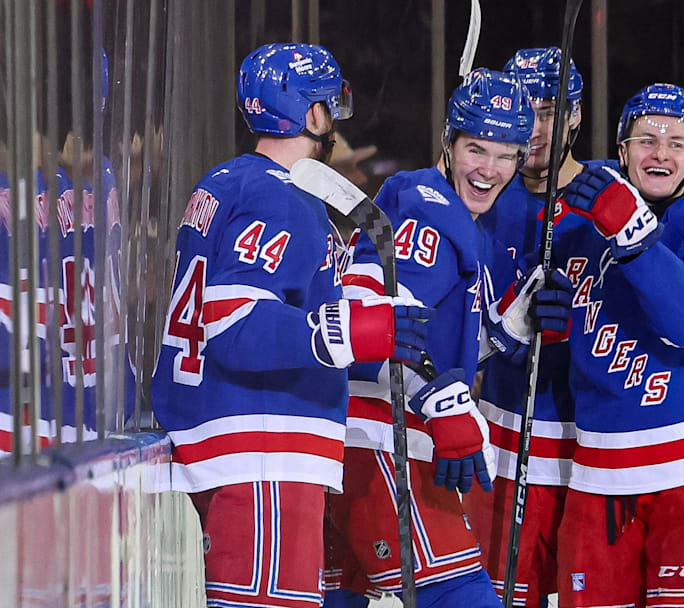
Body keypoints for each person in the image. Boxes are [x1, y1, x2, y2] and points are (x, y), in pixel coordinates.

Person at [150, 43, 430, 608]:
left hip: (237, 449)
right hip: (262, 453)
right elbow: (231, 322)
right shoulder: (280, 198)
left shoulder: (229, 181)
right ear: (312, 115)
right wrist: (353, 331)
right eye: (330, 105)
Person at [325, 68, 567, 607]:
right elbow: (372, 320)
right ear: (448, 142)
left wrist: (505, 329)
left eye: (508, 154)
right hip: (382, 442)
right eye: (477, 149)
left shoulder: (454, 214)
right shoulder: (425, 207)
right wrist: (444, 400)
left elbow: (425, 332)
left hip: (358, 439)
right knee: (459, 594)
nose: (490, 170)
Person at [548, 83, 684, 607]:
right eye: (646, 139)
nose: (660, 152)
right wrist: (544, 321)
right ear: (621, 151)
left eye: (676, 142)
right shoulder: (581, 230)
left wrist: (634, 234)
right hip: (598, 469)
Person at [465, 46, 593, 608]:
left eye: (551, 109)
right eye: (526, 110)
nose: (538, 127)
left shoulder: (614, 196)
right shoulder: (482, 202)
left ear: (577, 115)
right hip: (504, 447)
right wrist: (505, 335)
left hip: (595, 454)